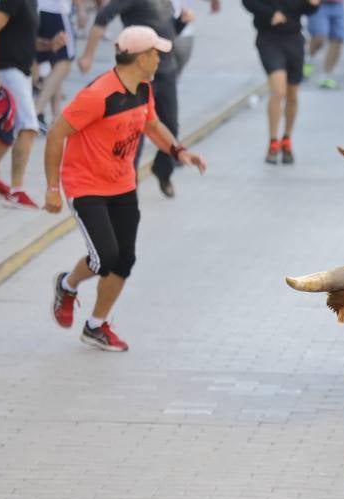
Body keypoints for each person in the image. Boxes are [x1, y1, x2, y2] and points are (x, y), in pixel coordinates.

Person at [43, 25, 205, 351]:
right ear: (140, 57)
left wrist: (178, 151)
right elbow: (55, 134)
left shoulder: (144, 89)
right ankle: (67, 284)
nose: (160, 59)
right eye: (155, 54)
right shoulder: (97, 95)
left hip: (122, 184)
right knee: (104, 257)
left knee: (124, 260)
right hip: (86, 184)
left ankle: (96, 325)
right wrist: (52, 188)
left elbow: (152, 125)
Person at [79, 0, 181, 196]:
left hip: (166, 70)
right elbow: (102, 17)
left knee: (171, 126)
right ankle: (128, 187)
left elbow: (168, 28)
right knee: (136, 133)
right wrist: (88, 55)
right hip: (140, 73)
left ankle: (162, 170)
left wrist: (182, 22)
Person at [0, 0, 46, 207]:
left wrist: (49, 45)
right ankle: (16, 191)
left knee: (9, 130)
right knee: (29, 127)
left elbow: (23, 38)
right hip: (7, 70)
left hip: (20, 72)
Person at [242, 0, 318, 164]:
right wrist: (270, 13)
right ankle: (273, 141)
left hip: (294, 39)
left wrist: (314, 5)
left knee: (292, 95)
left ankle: (287, 139)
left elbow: (308, 9)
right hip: (268, 38)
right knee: (278, 91)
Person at [33, 0, 79, 132]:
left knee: (55, 65)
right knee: (64, 64)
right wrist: (81, 9)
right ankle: (36, 111)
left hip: (37, 9)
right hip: (57, 11)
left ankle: (56, 117)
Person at [304, 0, 344, 89]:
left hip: (338, 4)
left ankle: (326, 76)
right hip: (319, 4)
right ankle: (307, 59)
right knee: (319, 37)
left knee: (338, 39)